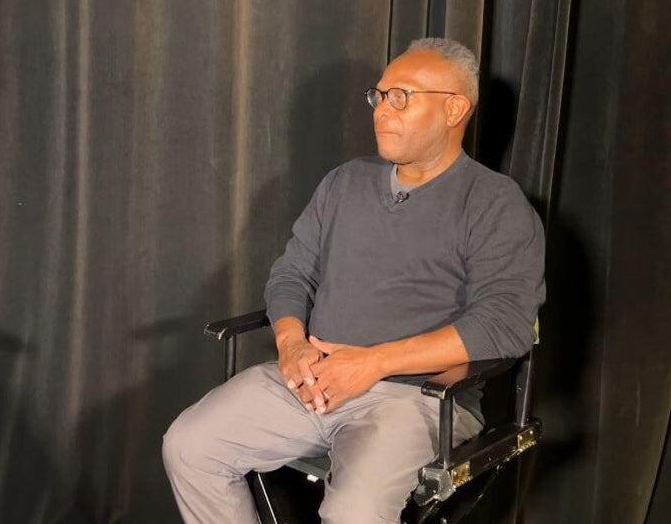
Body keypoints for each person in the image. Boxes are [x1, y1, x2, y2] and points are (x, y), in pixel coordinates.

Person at [162, 38, 545, 524]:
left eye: (401, 97)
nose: (382, 110)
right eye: (379, 96)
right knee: (190, 446)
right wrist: (291, 344)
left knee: (354, 513)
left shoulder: (494, 203)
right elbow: (292, 273)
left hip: (414, 399)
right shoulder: (345, 182)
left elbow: (505, 325)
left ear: (454, 109)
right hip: (311, 378)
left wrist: (372, 363)